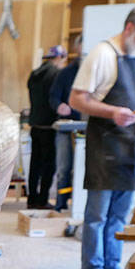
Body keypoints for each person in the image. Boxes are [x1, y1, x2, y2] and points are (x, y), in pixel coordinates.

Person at [69, 4, 135, 269]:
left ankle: (112, 264)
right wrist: (112, 112)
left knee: (120, 214)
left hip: (132, 144)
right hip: (105, 144)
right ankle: (93, 268)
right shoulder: (102, 54)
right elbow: (77, 99)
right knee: (97, 214)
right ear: (129, 28)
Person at [24, 45, 66, 209]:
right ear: (59, 58)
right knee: (49, 165)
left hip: (35, 125)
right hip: (49, 126)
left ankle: (31, 198)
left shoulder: (33, 74)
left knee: (35, 164)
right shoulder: (56, 75)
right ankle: (42, 200)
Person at [48, 36, 83, 213]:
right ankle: (61, 203)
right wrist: (59, 105)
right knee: (64, 167)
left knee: (84, 169)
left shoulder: (100, 72)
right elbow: (53, 97)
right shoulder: (66, 73)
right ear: (77, 49)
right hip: (65, 127)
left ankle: (80, 205)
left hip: (89, 128)